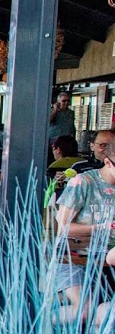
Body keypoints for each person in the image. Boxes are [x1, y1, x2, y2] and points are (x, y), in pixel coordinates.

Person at [53, 138, 115, 323]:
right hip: (72, 258)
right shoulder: (84, 182)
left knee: (104, 313)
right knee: (84, 311)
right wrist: (100, 228)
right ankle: (35, 326)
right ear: (107, 162)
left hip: (106, 262)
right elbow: (62, 227)